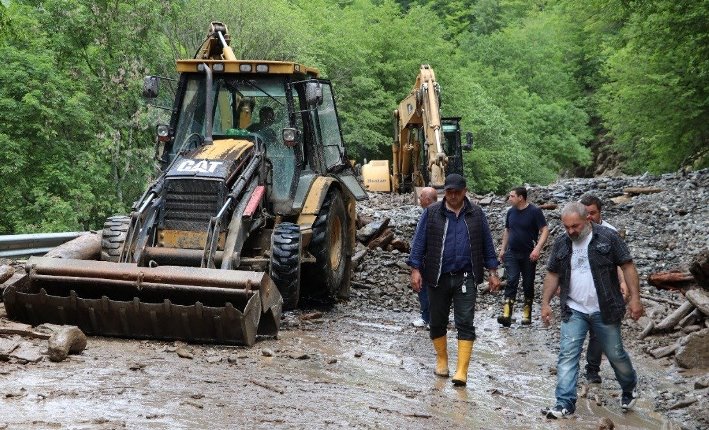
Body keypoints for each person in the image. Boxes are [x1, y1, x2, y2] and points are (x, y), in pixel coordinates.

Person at [540, 202, 644, 418]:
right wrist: (545, 303)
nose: (571, 231)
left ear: (587, 219)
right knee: (567, 356)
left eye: (575, 226)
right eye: (567, 227)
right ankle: (564, 404)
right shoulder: (562, 243)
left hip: (604, 308)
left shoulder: (608, 237)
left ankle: (629, 386)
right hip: (574, 309)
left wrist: (635, 298)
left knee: (616, 354)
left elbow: (627, 265)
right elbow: (552, 273)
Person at [407, 174, 500, 387]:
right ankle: (442, 360)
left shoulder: (476, 214)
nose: (453, 196)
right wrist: (415, 270)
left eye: (457, 192)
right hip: (437, 276)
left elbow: (486, 244)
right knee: (437, 320)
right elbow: (419, 243)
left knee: (465, 322)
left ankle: (461, 371)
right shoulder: (432, 214)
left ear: (465, 191)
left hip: (466, 277)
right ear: (444, 192)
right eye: (449, 192)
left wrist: (493, 272)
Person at [579, 193, 628, 384]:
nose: (589, 217)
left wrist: (623, 282)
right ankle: (570, 367)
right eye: (586, 213)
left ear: (600, 213)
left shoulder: (610, 233)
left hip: (605, 290)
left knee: (598, 333)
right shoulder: (575, 231)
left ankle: (592, 369)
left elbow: (621, 262)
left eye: (593, 213)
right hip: (581, 290)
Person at [497, 187, 549, 326]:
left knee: (528, 283)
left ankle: (527, 313)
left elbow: (544, 230)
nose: (509, 199)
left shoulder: (534, 211)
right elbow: (507, 230)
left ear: (521, 197)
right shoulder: (510, 212)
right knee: (512, 279)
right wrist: (502, 249)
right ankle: (506, 314)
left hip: (528, 254)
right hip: (512, 252)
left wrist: (537, 248)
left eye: (512, 196)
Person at [411, 187, 439, 329]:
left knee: (428, 289)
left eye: (421, 196)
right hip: (433, 260)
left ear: (427, 199)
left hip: (429, 260)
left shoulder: (429, 213)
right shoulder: (438, 212)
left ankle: (430, 319)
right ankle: (429, 318)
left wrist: (415, 262)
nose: (419, 199)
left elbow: (419, 239)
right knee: (430, 290)